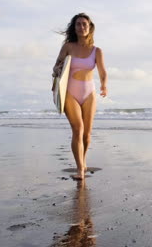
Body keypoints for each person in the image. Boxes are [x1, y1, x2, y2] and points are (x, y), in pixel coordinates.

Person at [52, 13, 107, 180]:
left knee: (87, 134)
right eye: (78, 24)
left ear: (90, 27)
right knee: (78, 129)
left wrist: (104, 85)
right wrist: (56, 70)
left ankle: (83, 161)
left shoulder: (96, 51)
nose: (81, 27)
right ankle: (80, 169)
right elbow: (56, 66)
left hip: (89, 93)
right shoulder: (68, 46)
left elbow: (103, 72)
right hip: (70, 92)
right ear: (74, 28)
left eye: (84, 24)